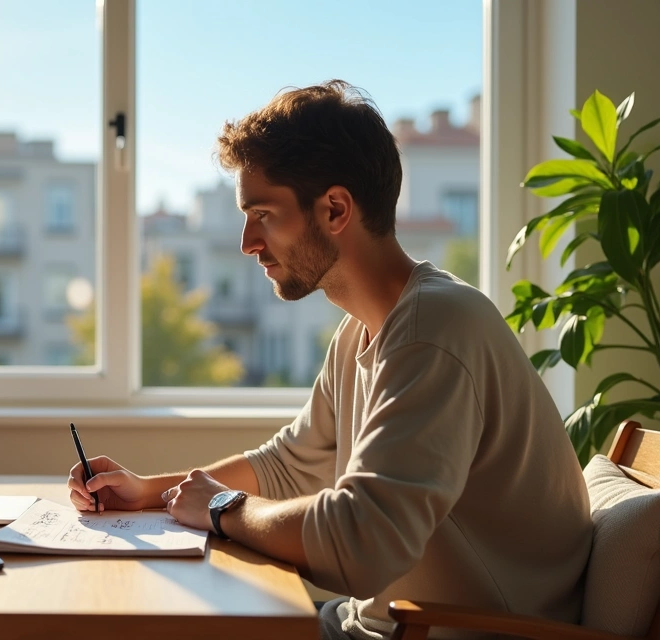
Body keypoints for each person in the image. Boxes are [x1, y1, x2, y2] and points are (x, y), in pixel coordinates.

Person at [67, 80, 593, 640]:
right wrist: (149, 491)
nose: (247, 241)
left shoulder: (433, 331)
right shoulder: (362, 333)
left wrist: (221, 507)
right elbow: (290, 465)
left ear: (336, 209)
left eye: (263, 213)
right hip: (371, 624)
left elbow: (361, 544)